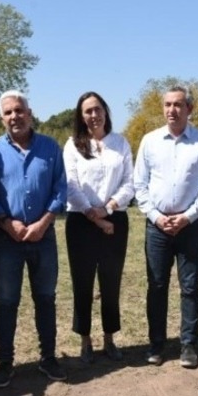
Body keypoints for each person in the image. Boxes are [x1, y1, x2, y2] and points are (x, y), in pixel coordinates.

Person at [0, 90, 67, 386]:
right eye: (8, 112)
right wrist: (7, 223)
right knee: (7, 301)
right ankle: (5, 362)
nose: (14, 117)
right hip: (7, 239)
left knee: (46, 298)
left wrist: (44, 222)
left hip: (44, 236)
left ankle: (48, 357)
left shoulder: (50, 147)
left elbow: (60, 189)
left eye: (19, 111)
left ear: (30, 113)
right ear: (1, 117)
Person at [133, 86, 198, 368]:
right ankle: (157, 345)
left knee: (190, 286)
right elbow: (140, 185)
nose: (172, 110)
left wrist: (188, 216)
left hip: (189, 226)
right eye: (168, 105)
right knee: (157, 285)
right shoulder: (150, 141)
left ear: (189, 109)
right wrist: (157, 216)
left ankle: (188, 345)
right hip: (157, 226)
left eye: (178, 105)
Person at [64, 92, 134, 363]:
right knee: (82, 282)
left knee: (111, 281)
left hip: (115, 221)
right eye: (87, 111)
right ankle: (85, 339)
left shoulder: (121, 143)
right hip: (81, 221)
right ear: (81, 116)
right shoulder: (72, 145)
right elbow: (70, 184)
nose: (93, 115)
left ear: (105, 111)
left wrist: (107, 210)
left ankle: (110, 338)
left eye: (97, 109)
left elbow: (130, 182)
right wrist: (94, 216)